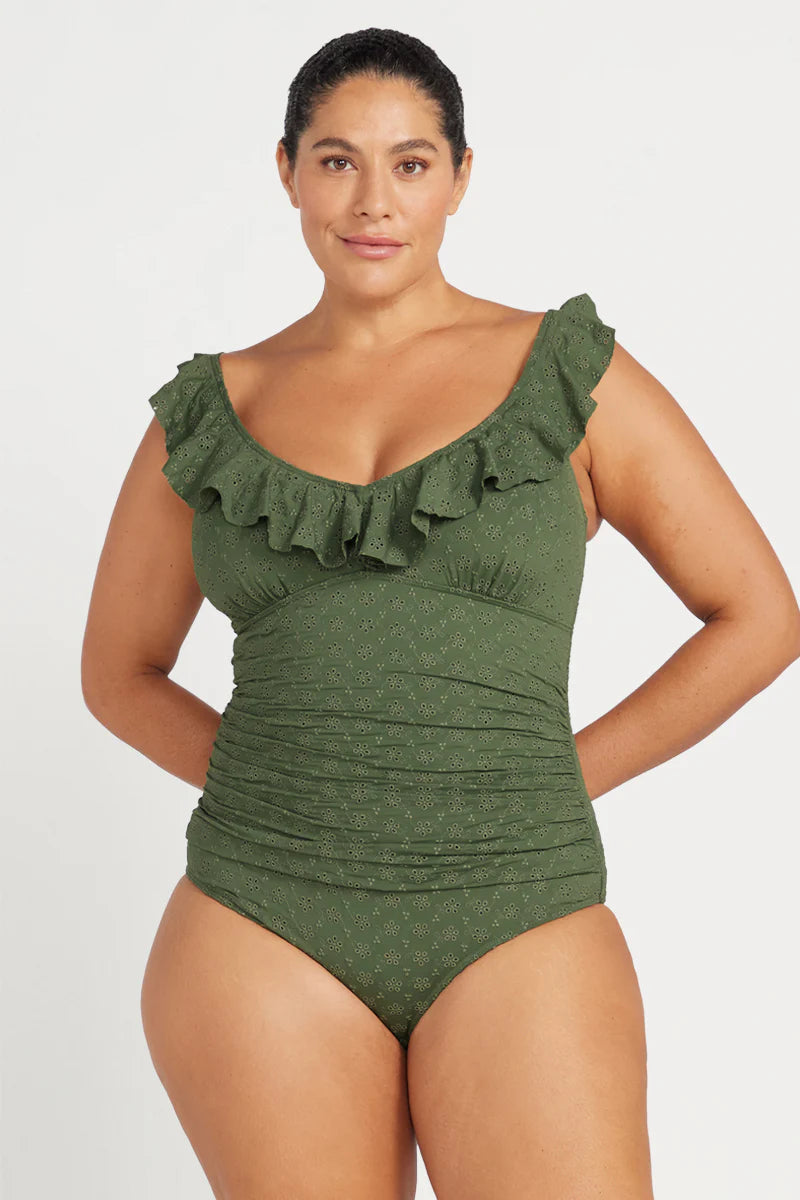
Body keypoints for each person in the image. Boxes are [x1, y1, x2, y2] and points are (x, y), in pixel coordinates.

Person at [81, 25, 800, 1200]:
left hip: (517, 900)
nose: (373, 201)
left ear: (459, 178)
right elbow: (118, 672)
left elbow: (757, 614)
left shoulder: (567, 376)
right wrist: (293, 791)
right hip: (261, 917)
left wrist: (567, 774)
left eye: (410, 163)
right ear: (286, 172)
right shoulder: (209, 413)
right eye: (336, 161)